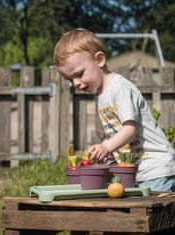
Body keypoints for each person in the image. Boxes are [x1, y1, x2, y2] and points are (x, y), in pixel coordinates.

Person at [53, 28, 175, 192]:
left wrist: (106, 146)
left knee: (155, 216)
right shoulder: (102, 94)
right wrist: (108, 156)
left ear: (100, 60)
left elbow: (129, 130)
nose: (76, 83)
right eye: (70, 79)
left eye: (80, 74)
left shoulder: (119, 88)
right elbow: (119, 137)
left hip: (156, 168)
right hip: (137, 171)